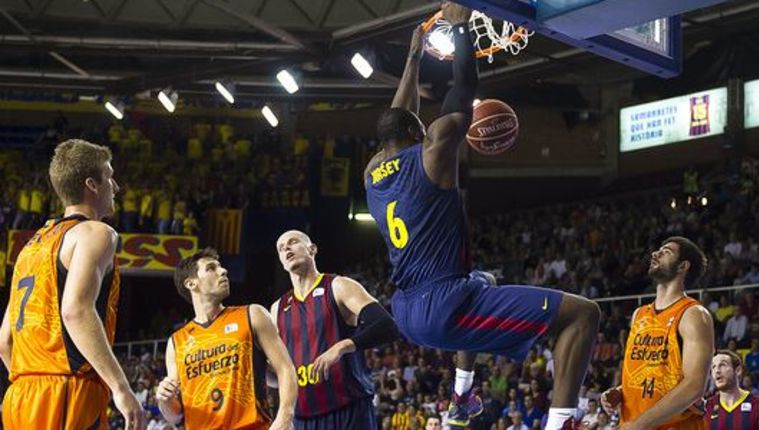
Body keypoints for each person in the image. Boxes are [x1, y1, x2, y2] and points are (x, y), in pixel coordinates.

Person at [364, 3, 600, 428]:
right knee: (583, 314)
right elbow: (463, 89)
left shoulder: (372, 175)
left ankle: (461, 397)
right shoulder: (434, 152)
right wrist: (460, 31)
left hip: (406, 308)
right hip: (442, 305)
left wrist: (414, 58)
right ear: (419, 131)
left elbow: (398, 117)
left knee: (484, 280)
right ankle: (561, 422)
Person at [0, 139, 146, 429]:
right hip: (68, 390)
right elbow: (76, 310)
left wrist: (34, 381)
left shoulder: (30, 247)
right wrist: (120, 387)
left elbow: (5, 342)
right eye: (109, 177)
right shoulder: (96, 232)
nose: (115, 187)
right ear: (92, 184)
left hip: (20, 395)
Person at [155, 248, 297, 429]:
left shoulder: (252, 314)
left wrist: (285, 417)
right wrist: (164, 400)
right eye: (211, 268)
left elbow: (285, 369)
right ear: (191, 284)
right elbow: (175, 415)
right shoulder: (176, 342)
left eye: (220, 267)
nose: (223, 271)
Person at [270, 230, 399, 429]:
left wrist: (342, 346)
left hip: (348, 411)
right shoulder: (278, 308)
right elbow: (277, 376)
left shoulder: (338, 286)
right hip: (302, 419)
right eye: (280, 248)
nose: (286, 248)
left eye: (293, 242)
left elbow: (387, 326)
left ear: (312, 249)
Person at [601, 237, 714, 430]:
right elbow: (655, 374)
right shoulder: (639, 314)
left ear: (683, 266)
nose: (655, 254)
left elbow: (694, 386)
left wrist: (639, 424)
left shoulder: (693, 314)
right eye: (658, 250)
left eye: (666, 252)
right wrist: (622, 391)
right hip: (633, 423)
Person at [705, 350, 759, 429]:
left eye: (722, 365)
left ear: (738, 370)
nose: (717, 371)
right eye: (713, 367)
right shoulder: (706, 408)